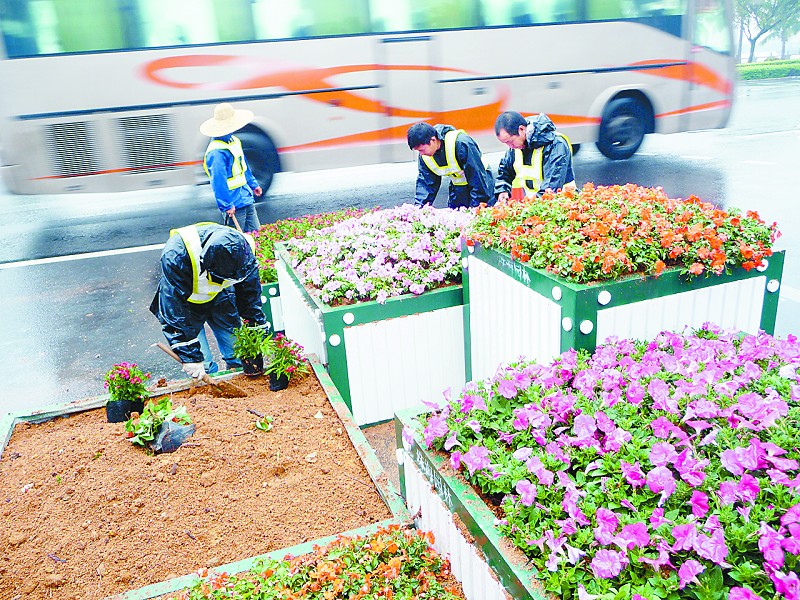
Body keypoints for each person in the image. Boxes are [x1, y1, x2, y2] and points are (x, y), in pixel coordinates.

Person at [149, 222, 268, 380]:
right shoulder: (176, 255)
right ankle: (210, 386)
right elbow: (173, 309)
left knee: (236, 352)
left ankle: (236, 374)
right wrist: (189, 356)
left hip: (221, 296)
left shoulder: (243, 251)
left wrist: (256, 330)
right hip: (187, 305)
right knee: (201, 364)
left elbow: (250, 295)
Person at [200, 103, 263, 232]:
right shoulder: (216, 152)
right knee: (238, 242)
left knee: (255, 235)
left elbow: (243, 165)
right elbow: (218, 181)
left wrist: (253, 184)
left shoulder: (233, 141)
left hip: (245, 196)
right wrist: (226, 205)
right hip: (233, 202)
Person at [407, 122, 494, 209]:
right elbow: (426, 184)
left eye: (422, 150)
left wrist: (477, 208)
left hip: (483, 183)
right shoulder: (425, 156)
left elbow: (476, 176)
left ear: (433, 140)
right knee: (458, 217)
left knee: (483, 215)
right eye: (418, 151)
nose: (421, 154)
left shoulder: (461, 143)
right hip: (458, 187)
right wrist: (418, 210)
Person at [494, 111, 576, 203]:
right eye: (506, 143)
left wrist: (529, 207)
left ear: (521, 129)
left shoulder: (556, 144)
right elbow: (505, 172)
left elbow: (551, 186)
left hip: (564, 204)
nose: (510, 146)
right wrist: (503, 190)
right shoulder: (516, 147)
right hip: (537, 206)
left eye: (510, 141)